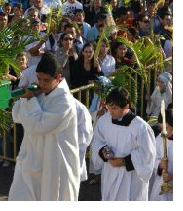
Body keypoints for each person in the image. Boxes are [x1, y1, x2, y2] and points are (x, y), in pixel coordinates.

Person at [9, 52, 82, 200]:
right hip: (32, 163)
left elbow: (38, 126)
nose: (42, 84)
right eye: (39, 79)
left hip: (55, 166)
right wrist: (27, 97)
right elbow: (16, 116)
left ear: (58, 78)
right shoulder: (38, 93)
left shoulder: (65, 103)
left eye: (46, 80)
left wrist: (29, 99)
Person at [90, 86, 158, 200]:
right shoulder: (104, 121)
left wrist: (123, 162)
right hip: (110, 172)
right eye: (108, 107)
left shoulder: (140, 127)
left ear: (126, 106)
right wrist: (103, 151)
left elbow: (147, 155)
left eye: (115, 108)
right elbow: (97, 141)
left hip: (131, 177)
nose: (110, 112)